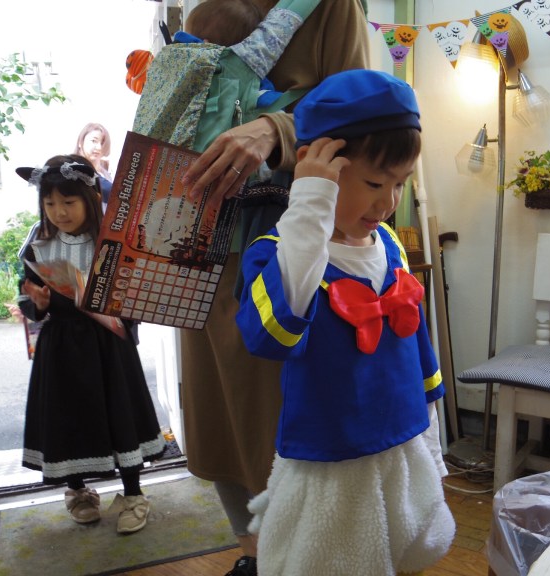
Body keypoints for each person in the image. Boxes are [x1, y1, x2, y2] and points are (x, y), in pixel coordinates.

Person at [236, 68, 455, 576]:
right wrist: (310, 201)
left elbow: (417, 347)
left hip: (402, 441)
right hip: (331, 455)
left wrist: (432, 442)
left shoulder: (390, 245)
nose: (388, 202)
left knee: (404, 550)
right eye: (375, 183)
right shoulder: (278, 254)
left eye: (400, 184)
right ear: (320, 169)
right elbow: (270, 336)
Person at [176, 2, 369, 575]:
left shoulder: (331, 9)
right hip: (200, 241)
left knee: (279, 419)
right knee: (218, 416)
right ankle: (254, 557)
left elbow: (362, 109)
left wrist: (275, 127)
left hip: (288, 243)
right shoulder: (207, 9)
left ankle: (297, 560)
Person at [16, 154, 166, 534]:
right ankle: (78, 491)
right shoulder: (38, 244)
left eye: (68, 201)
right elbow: (27, 298)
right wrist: (38, 303)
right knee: (68, 416)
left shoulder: (111, 241)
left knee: (120, 414)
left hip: (108, 345)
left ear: (90, 197)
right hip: (60, 348)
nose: (59, 212)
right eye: (50, 203)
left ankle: (133, 494)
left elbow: (134, 295)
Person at [74, 122, 113, 207]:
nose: (99, 147)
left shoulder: (106, 173)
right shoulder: (73, 169)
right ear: (80, 142)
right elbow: (111, 193)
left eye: (102, 143)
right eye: (94, 141)